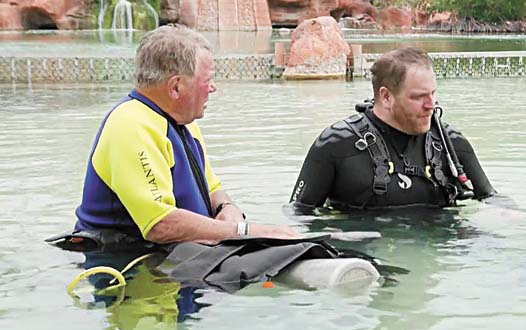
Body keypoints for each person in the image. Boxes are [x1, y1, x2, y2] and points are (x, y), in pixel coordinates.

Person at [73, 25, 298, 246]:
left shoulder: (184, 122)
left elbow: (211, 187)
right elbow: (160, 224)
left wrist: (226, 208)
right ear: (176, 87)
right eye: (207, 80)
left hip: (180, 257)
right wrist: (246, 232)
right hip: (126, 266)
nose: (213, 88)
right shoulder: (130, 125)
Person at [289, 47, 499, 211]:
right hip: (366, 255)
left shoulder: (449, 142)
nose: (431, 105)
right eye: (418, 97)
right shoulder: (335, 145)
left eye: (432, 94)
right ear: (386, 96)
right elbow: (299, 216)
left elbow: (491, 197)